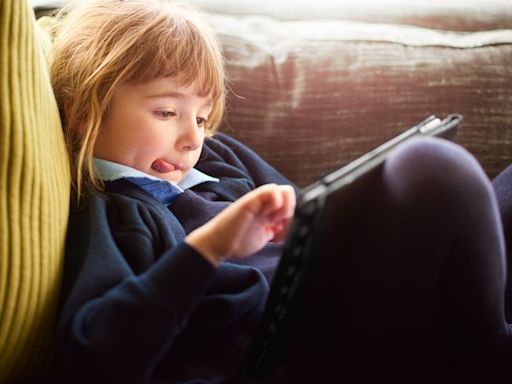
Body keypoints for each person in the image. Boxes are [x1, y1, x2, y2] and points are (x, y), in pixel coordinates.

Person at [49, 0, 512, 383]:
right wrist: (211, 247)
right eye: (167, 112)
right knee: (432, 167)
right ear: (85, 113)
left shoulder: (217, 157)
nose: (192, 138)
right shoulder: (113, 212)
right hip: (301, 349)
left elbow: (307, 216)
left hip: (350, 289)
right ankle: (488, 356)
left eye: (203, 117)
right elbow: (93, 355)